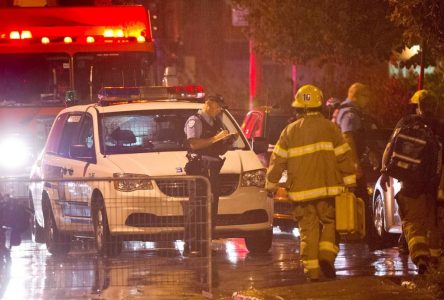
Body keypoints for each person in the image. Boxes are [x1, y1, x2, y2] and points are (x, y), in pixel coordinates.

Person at [266, 84, 356, 281]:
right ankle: (326, 255)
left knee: (308, 230)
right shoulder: (331, 128)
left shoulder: (289, 131)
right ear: (319, 106)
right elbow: (344, 156)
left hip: (301, 193)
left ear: (298, 108)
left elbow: (278, 160)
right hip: (328, 189)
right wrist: (350, 181)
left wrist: (271, 184)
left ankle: (312, 272)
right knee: (331, 223)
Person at [380, 89, 442, 274]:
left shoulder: (406, 122)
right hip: (433, 183)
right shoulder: (439, 127)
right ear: (436, 106)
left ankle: (421, 258)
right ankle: (435, 264)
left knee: (412, 221)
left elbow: (390, 148)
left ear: (418, 106)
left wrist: (385, 172)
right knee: (433, 224)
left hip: (409, 181)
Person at [183, 94, 237, 256]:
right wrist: (216, 138)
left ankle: (205, 244)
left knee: (211, 208)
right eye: (218, 106)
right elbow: (194, 143)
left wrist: (228, 141)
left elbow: (216, 148)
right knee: (198, 207)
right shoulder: (195, 120)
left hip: (212, 169)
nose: (220, 110)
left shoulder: (215, 122)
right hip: (200, 169)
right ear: (209, 104)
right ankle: (192, 245)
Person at [335, 82, 381, 248]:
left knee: (360, 199)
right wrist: (355, 165)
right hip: (349, 167)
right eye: (365, 96)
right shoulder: (350, 113)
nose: (367, 101)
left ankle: (368, 236)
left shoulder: (349, 111)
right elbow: (348, 137)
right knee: (361, 198)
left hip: (347, 165)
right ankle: (371, 239)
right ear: (356, 95)